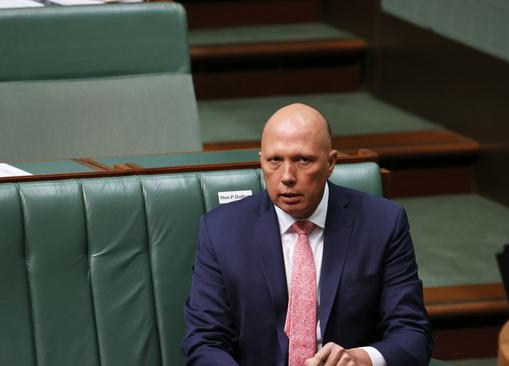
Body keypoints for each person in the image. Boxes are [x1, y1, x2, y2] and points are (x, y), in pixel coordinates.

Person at [182, 103, 432, 366]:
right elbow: (204, 341)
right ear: (261, 161)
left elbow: (413, 334)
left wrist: (361, 359)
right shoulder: (222, 231)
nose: (287, 176)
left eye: (303, 160)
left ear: (330, 163)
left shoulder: (383, 224)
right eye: (275, 160)